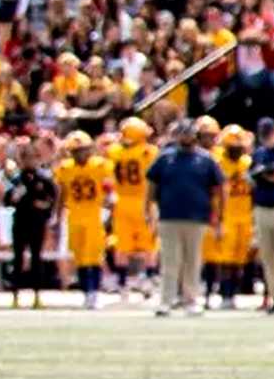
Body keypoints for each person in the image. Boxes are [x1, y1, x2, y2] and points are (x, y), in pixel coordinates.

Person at [148, 121, 221, 316]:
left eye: (188, 133)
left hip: (197, 217)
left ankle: (191, 300)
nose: (185, 137)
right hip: (169, 216)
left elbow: (218, 189)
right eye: (182, 133)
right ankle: (166, 300)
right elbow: (152, 186)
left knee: (193, 261)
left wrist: (217, 215)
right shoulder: (165, 158)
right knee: (170, 261)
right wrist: (149, 210)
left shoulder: (205, 159)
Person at [55, 131, 111, 308]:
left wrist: (111, 206)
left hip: (93, 216)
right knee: (79, 257)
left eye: (83, 150)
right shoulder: (65, 168)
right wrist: (57, 217)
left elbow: (109, 189)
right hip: (74, 216)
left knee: (93, 257)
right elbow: (62, 195)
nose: (81, 154)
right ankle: (86, 292)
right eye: (77, 151)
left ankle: (94, 292)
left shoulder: (100, 166)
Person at [108, 117, 156, 297]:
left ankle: (122, 283)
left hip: (122, 201)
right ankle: (148, 279)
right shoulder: (148, 152)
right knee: (148, 244)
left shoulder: (115, 152)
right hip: (142, 201)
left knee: (122, 245)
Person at [4, 139, 54, 309]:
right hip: (20, 222)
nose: (29, 161)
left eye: (33, 158)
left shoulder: (43, 179)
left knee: (36, 258)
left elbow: (51, 199)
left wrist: (43, 206)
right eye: (26, 158)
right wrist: (14, 197)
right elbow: (7, 199)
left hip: (36, 223)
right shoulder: (17, 180)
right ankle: (15, 294)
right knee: (18, 259)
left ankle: (37, 295)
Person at [210, 124, 255, 310]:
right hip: (226, 214)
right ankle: (224, 293)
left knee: (240, 258)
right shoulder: (217, 161)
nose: (236, 149)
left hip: (245, 214)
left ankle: (233, 293)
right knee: (225, 257)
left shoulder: (248, 162)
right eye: (232, 146)